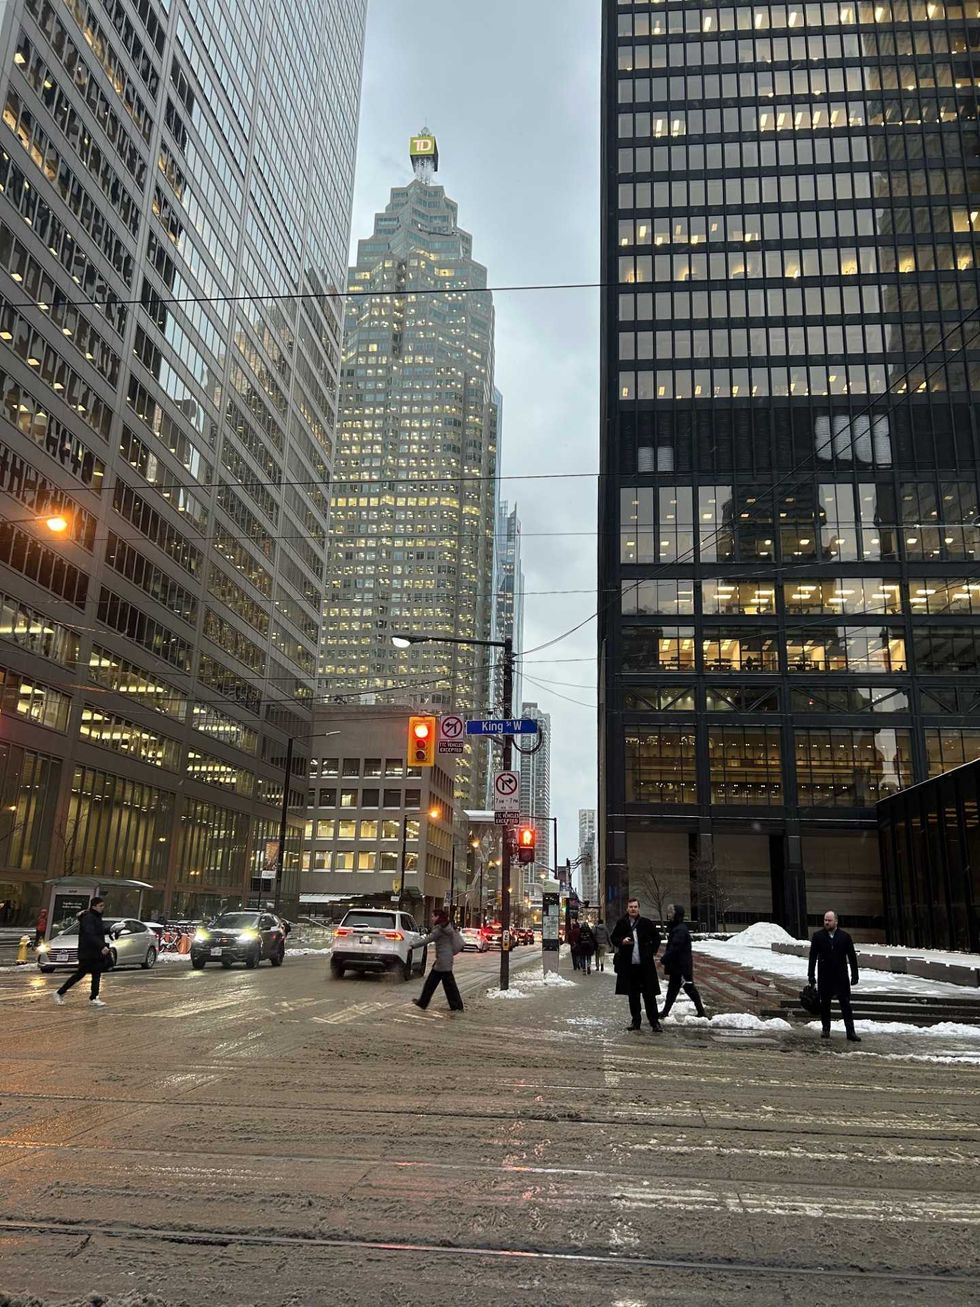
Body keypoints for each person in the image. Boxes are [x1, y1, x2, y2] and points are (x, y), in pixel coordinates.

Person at [808, 909, 860, 1042]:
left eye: (829, 920)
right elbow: (812, 957)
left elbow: (852, 957)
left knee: (846, 1005)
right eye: (825, 920)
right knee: (825, 1004)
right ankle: (826, 1029)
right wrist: (811, 975)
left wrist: (855, 975)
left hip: (841, 976)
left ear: (836, 921)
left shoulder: (845, 936)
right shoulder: (818, 936)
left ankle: (850, 1032)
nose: (826, 922)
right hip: (825, 976)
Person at [611, 897, 662, 1032]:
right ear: (627, 909)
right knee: (633, 996)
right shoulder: (622, 923)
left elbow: (657, 938)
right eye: (631, 907)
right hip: (630, 967)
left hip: (645, 967)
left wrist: (651, 951)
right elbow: (613, 938)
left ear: (639, 908)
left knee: (649, 995)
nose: (633, 909)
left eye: (635, 907)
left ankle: (654, 1022)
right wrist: (622, 941)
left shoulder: (646, 923)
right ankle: (636, 1021)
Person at [54, 897, 110, 1008]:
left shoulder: (96, 917)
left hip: (95, 952)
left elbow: (99, 931)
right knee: (80, 974)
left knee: (96, 974)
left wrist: (111, 930)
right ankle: (60, 992)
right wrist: (101, 946)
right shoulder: (89, 918)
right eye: (101, 906)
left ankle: (94, 997)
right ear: (94, 906)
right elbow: (90, 934)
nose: (103, 908)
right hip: (88, 952)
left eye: (103, 906)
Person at [659, 905, 708, 1021]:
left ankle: (701, 1011)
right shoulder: (677, 928)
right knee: (673, 990)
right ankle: (665, 1012)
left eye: (671, 913)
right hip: (678, 966)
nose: (669, 915)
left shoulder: (680, 929)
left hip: (681, 967)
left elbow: (675, 947)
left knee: (689, 988)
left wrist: (664, 959)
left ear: (677, 915)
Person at [412, 908, 465, 1014]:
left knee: (433, 983)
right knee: (447, 984)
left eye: (433, 916)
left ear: (438, 917)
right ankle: (456, 1005)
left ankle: (424, 1002)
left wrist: (413, 945)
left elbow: (428, 940)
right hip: (446, 959)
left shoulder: (439, 929)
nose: (431, 918)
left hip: (442, 961)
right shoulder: (448, 927)